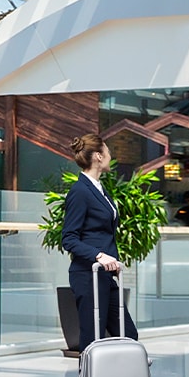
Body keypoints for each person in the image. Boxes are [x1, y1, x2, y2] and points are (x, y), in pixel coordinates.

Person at [61, 134, 138, 352]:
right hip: (88, 275)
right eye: (108, 152)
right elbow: (69, 238)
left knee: (128, 334)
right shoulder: (80, 191)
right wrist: (99, 255)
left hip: (105, 276)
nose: (110, 156)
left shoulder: (100, 190)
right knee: (93, 339)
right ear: (98, 156)